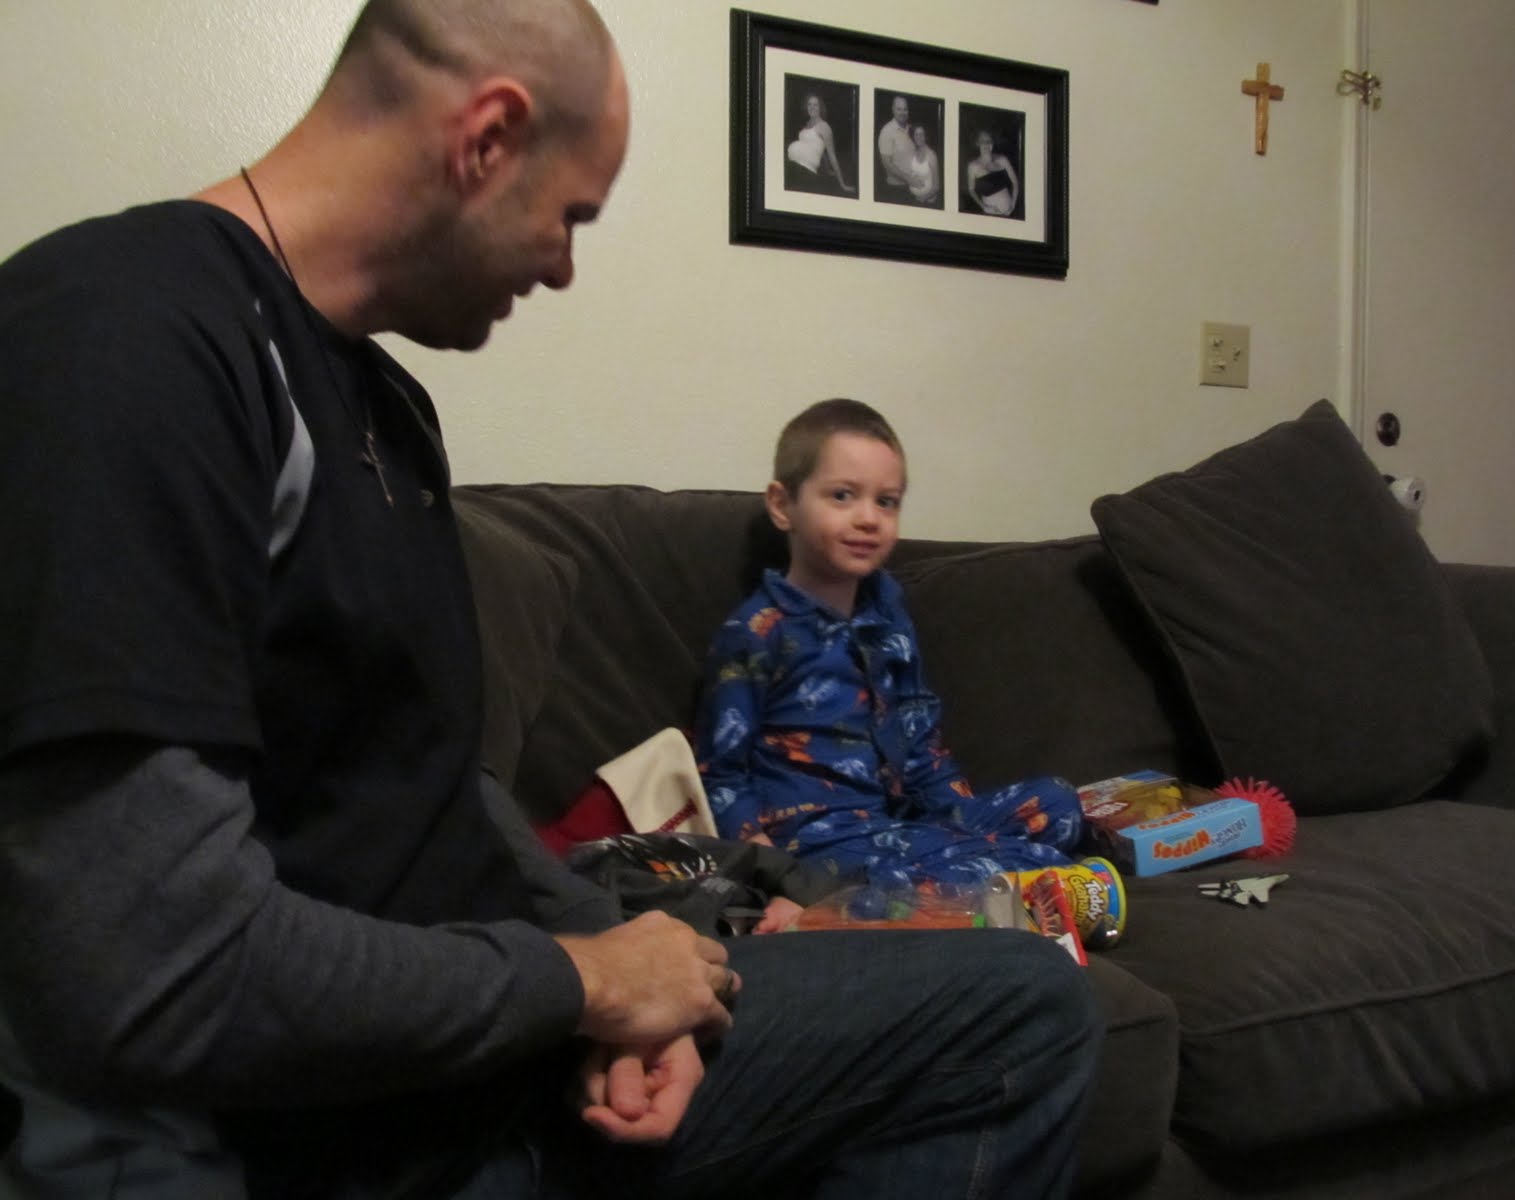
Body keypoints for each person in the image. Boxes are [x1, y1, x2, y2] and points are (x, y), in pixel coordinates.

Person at [0, 2, 1102, 1198]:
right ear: (487, 139)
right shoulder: (125, 340)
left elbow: (436, 790)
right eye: (570, 215)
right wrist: (580, 985)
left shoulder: (389, 410)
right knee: (1011, 1024)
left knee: (1022, 998)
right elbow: (150, 974)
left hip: (487, 1050)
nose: (564, 267)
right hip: (327, 1133)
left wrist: (634, 962)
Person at [694, 399, 1086, 893]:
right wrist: (770, 873)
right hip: (820, 845)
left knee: (1059, 804)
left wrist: (963, 822)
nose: (869, 518)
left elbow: (918, 734)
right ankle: (1007, 876)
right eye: (842, 496)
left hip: (901, 826)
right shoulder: (757, 631)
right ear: (782, 505)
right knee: (989, 868)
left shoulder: (888, 612)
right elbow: (721, 774)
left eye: (887, 501)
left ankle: (994, 868)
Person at [784, 93, 854, 195]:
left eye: (815, 105)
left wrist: (843, 185)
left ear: (820, 107)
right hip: (792, 164)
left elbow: (832, 156)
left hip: (805, 171)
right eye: (809, 104)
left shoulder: (824, 127)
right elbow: (820, 150)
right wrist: (828, 169)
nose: (812, 107)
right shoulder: (807, 123)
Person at [966, 130, 1020, 216]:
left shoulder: (1002, 159)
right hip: (989, 212)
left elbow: (1015, 182)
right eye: (982, 141)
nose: (986, 144)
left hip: (1008, 211)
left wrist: (1013, 205)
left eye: (989, 141)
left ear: (993, 143)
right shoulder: (973, 166)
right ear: (977, 143)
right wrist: (983, 206)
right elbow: (971, 190)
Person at [876, 94, 915, 200]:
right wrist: (909, 179)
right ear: (893, 110)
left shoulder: (911, 129)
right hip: (896, 190)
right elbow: (887, 163)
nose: (902, 112)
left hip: (913, 187)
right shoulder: (887, 131)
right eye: (899, 109)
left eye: (905, 109)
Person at [907, 123, 940, 206]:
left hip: (927, 201)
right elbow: (912, 173)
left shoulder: (931, 155)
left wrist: (923, 198)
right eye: (916, 134)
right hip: (913, 197)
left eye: (921, 134)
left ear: (926, 136)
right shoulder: (914, 152)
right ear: (913, 136)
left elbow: (936, 186)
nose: (919, 137)